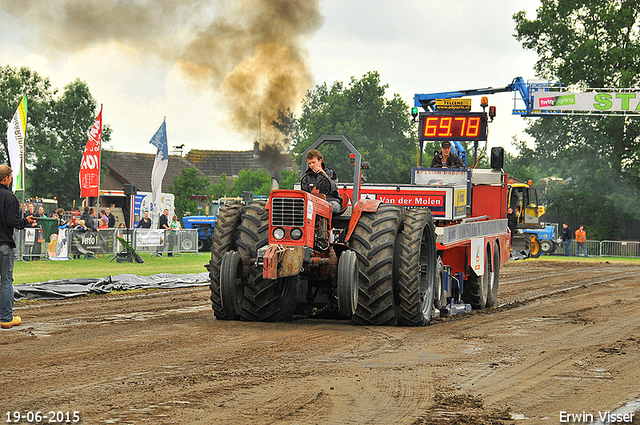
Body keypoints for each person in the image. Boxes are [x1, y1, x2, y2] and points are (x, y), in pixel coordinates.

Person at [0, 165, 36, 329]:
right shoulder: (9, 197)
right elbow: (11, 221)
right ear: (6, 178)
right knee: (6, 282)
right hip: (4, 244)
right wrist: (26, 222)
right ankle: (6, 318)